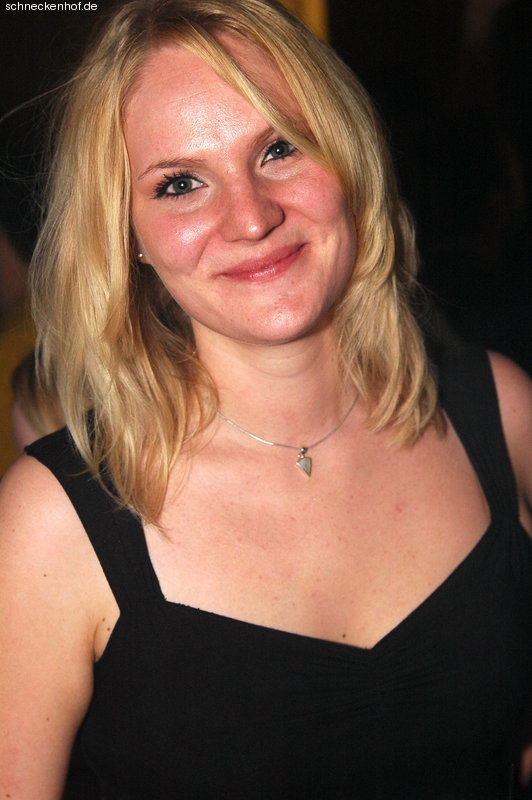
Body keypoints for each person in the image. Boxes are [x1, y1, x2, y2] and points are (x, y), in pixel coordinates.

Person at [0, 0, 531, 797]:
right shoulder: (51, 524)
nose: (250, 218)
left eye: (279, 147)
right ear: (127, 234)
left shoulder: (500, 411)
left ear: (348, 156)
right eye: (180, 183)